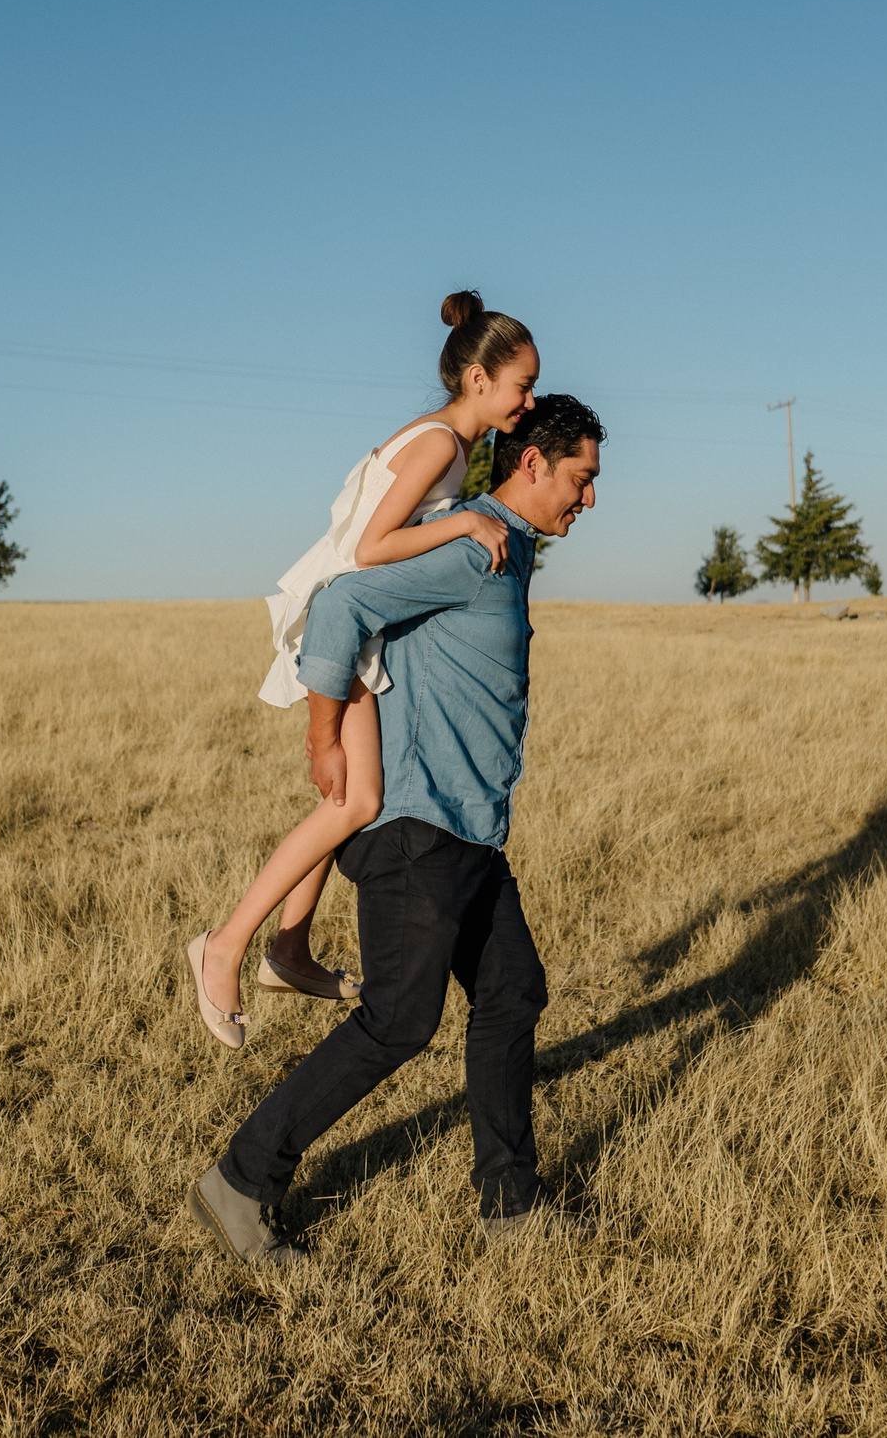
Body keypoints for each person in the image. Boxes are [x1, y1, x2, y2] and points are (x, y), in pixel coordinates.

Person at [187, 393, 605, 1264]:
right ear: (533, 463)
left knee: (512, 993)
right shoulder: (470, 548)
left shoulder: (502, 547)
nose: (589, 498)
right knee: (398, 1021)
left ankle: (511, 1206)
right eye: (581, 477)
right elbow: (340, 605)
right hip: (417, 826)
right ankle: (241, 1181)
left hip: (468, 830)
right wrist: (322, 740)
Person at [184, 291, 540, 1050]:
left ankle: (289, 951)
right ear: (479, 379)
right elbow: (372, 549)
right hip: (340, 621)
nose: (529, 400)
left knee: (352, 798)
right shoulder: (443, 444)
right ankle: (225, 946)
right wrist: (471, 521)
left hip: (354, 621)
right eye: (521, 385)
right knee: (354, 800)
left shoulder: (445, 440)